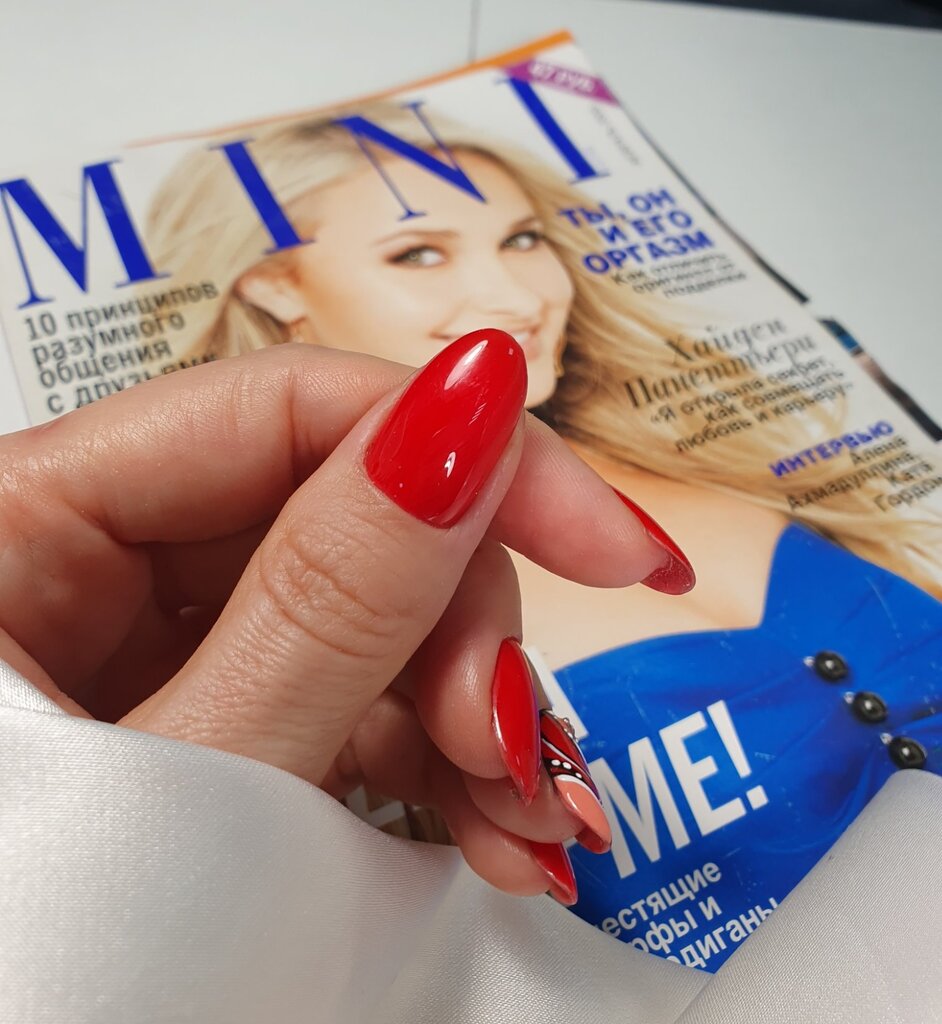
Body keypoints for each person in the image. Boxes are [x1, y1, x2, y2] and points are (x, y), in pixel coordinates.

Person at [141, 104, 942, 956]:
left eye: (522, 240)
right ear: (275, 287)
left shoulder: (715, 452)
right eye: (419, 253)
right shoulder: (322, 625)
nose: (519, 298)